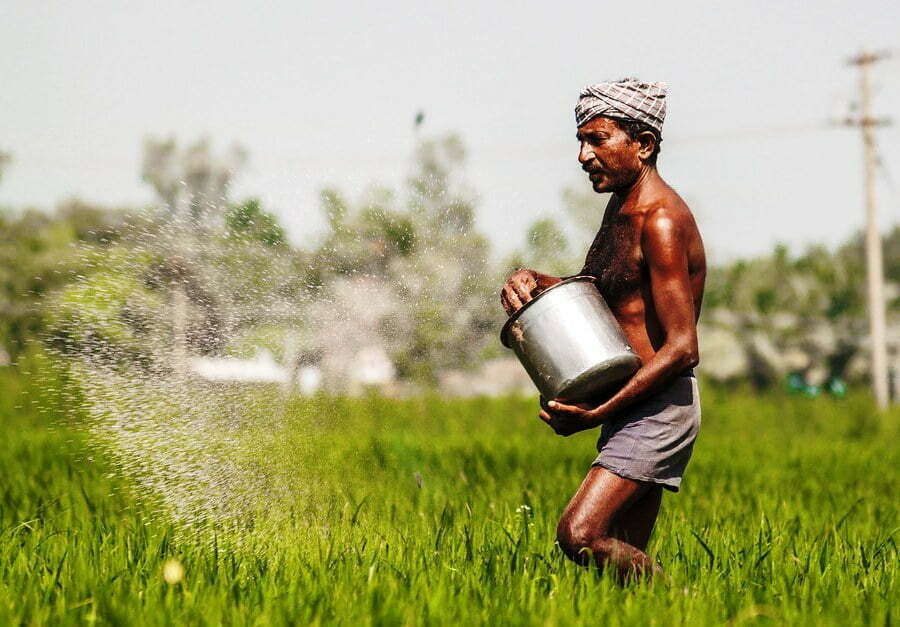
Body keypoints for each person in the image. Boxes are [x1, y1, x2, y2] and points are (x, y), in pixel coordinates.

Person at [500, 78, 706, 580]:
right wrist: (536, 281)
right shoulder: (622, 208)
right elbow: (600, 288)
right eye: (580, 141)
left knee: (580, 534)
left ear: (644, 145)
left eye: (597, 140)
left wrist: (596, 413)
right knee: (622, 567)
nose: (583, 156)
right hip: (630, 402)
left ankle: (686, 604)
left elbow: (682, 348)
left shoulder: (660, 221)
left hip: (656, 407)